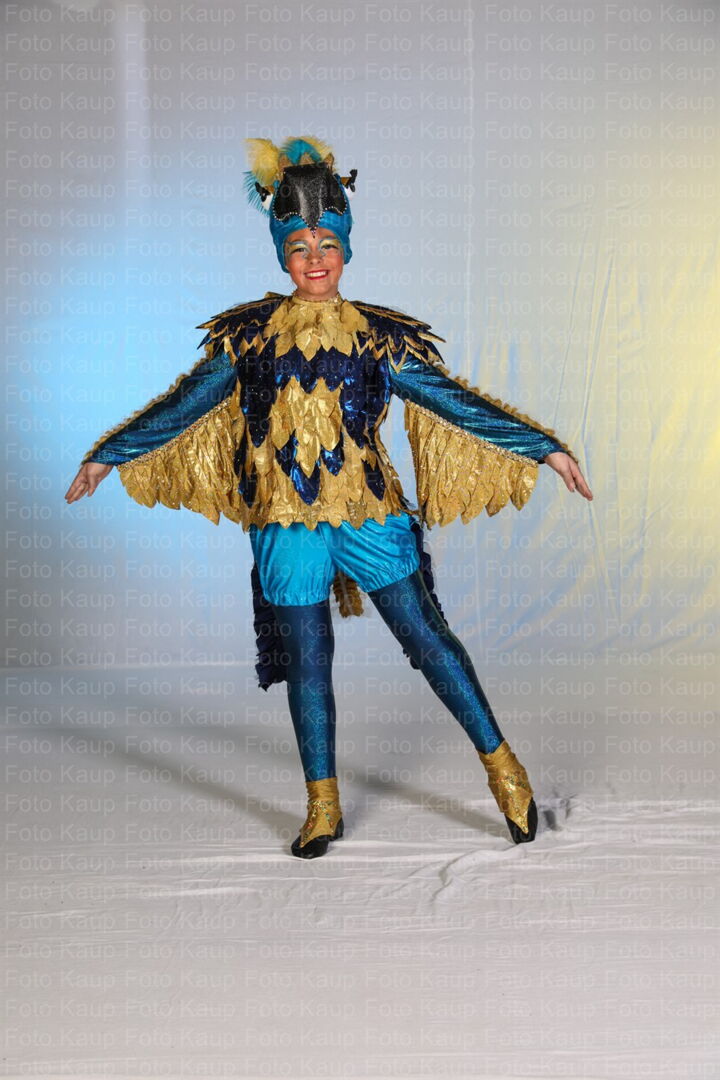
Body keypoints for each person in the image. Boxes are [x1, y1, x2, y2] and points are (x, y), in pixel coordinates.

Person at [65, 135, 593, 859]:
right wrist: (108, 454)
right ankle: (322, 804)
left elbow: (453, 402)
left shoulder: (380, 339)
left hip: (369, 513)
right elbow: (185, 404)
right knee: (308, 663)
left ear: (346, 249)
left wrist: (542, 446)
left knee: (429, 640)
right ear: (282, 256)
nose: (315, 260)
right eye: (300, 248)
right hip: (285, 525)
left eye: (327, 245)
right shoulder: (248, 339)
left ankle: (504, 769)